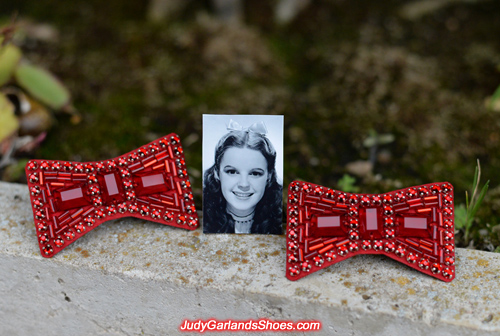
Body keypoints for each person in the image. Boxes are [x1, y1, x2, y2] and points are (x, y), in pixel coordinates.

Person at [203, 121, 282, 234]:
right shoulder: (200, 213)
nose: (243, 184)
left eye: (255, 173)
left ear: (269, 176)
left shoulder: (284, 218)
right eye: (232, 171)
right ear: (217, 173)